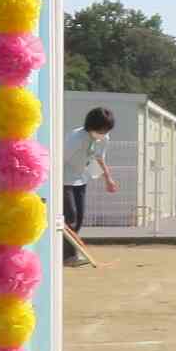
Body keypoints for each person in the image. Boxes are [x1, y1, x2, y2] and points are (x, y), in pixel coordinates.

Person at [61, 106, 117, 268]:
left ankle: (69, 255)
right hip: (64, 180)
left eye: (106, 130)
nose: (103, 133)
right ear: (90, 126)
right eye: (100, 130)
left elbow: (98, 158)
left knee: (78, 219)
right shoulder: (75, 138)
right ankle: (68, 257)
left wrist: (108, 179)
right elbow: (60, 160)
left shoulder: (104, 138)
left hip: (81, 179)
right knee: (70, 218)